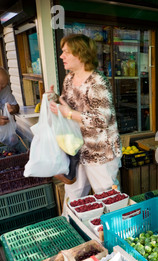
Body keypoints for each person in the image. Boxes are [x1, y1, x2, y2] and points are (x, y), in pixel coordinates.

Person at [49, 34, 122, 201]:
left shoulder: (97, 83)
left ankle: (117, 227)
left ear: (80, 54)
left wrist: (68, 113)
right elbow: (68, 105)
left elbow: (101, 120)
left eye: (66, 52)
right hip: (76, 150)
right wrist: (52, 99)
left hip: (100, 153)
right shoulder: (69, 79)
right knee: (73, 196)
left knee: (108, 198)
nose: (62, 56)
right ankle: (71, 225)